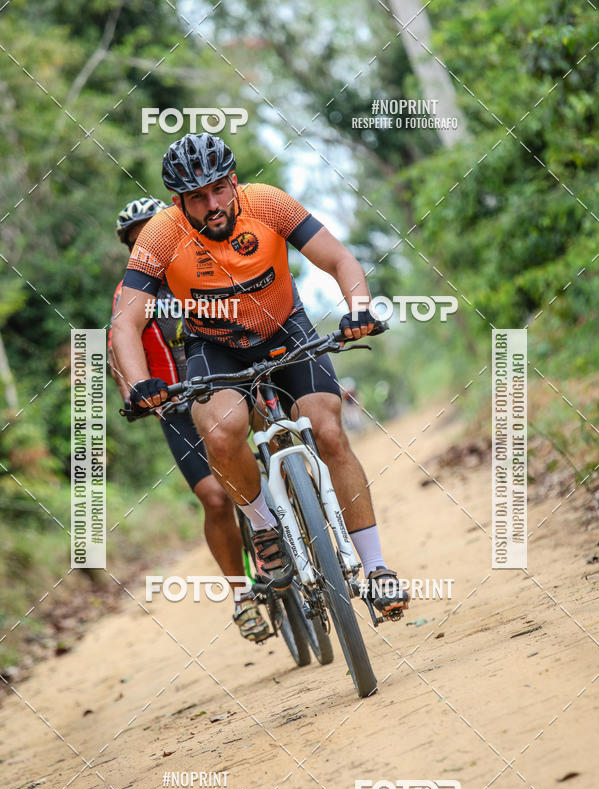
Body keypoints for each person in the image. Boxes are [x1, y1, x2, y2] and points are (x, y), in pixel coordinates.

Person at [110, 134, 410, 625]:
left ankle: (376, 568)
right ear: (177, 202)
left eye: (219, 190)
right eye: (196, 198)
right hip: (214, 345)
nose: (212, 205)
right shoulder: (160, 236)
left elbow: (339, 259)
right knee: (222, 434)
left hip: (284, 328)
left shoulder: (269, 203)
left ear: (234, 181)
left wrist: (358, 308)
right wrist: (142, 384)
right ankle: (264, 527)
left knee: (329, 428)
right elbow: (127, 322)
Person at [108, 197, 267, 641]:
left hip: (232, 380)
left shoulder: (199, 263)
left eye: (154, 232)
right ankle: (243, 595)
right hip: (176, 403)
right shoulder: (129, 294)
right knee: (217, 499)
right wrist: (134, 394)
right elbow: (119, 349)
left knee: (276, 435)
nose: (148, 245)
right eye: (137, 240)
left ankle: (301, 514)